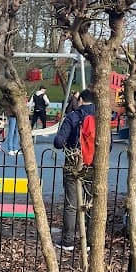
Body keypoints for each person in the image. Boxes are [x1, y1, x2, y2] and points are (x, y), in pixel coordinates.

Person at [53, 88, 96, 251]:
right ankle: (89, 242)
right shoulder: (100, 118)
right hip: (92, 164)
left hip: (73, 162)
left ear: (81, 100)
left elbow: (58, 142)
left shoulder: (73, 116)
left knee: (71, 203)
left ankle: (68, 241)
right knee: (90, 202)